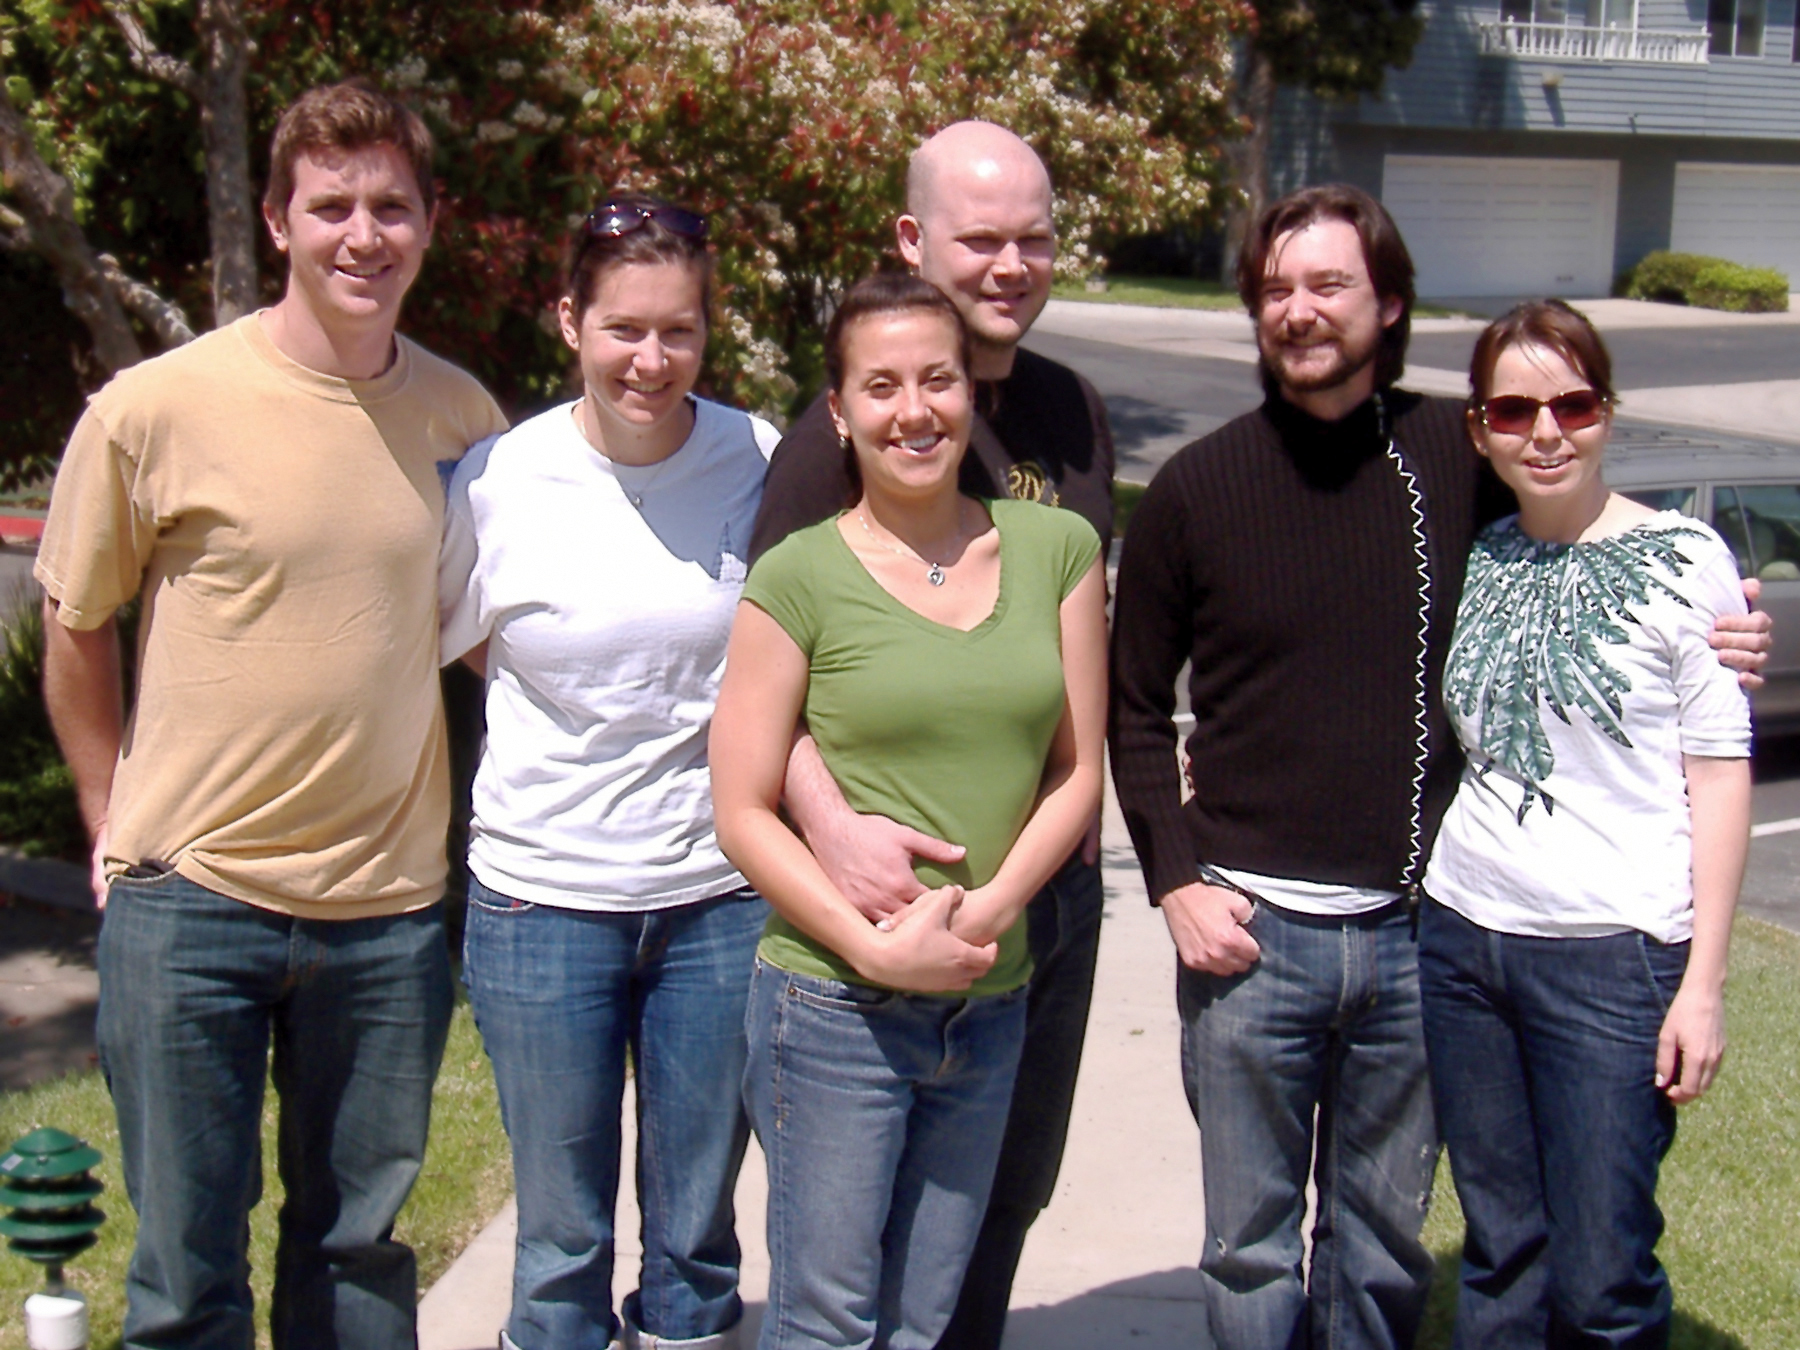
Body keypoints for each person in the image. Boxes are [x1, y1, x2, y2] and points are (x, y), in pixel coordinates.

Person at [1107, 184, 1771, 1350]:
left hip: (1423, 940)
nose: (1300, 309)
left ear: (1390, 303)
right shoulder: (1192, 491)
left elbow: (1583, 512)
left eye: (1329, 283)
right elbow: (1133, 707)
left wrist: (1721, 607)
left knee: (1381, 1246)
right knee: (1250, 1249)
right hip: (1251, 938)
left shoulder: (1457, 455)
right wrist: (1173, 881)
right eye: (1276, 288)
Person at [35, 82, 507, 1346]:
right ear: (278, 219)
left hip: (386, 914)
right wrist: (106, 814)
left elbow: (494, 640)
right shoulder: (153, 410)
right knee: (187, 1274)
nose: (364, 234)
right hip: (190, 899)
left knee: (356, 1263)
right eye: (332, 205)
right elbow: (76, 621)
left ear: (431, 222)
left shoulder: (465, 421)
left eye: (391, 207)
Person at [747, 120, 1113, 1350]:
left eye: (1034, 239)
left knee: (996, 1208)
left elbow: (1083, 685)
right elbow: (769, 688)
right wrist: (837, 833)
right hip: (877, 923)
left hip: (1035, 910)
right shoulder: (829, 451)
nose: (1012, 264)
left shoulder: (1070, 410)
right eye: (981, 238)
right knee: (839, 1290)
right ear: (913, 239)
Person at [438, 195, 777, 1350]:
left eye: (679, 330)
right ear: (569, 322)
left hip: (716, 899)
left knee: (697, 1236)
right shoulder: (499, 478)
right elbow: (463, 639)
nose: (651, 359)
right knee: (561, 1239)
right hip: (542, 903)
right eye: (624, 328)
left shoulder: (757, 459)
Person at [1419, 299, 1751, 1345]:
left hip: (1614, 956)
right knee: (1501, 1251)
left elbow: (1720, 775)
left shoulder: (1686, 558)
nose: (1546, 432)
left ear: (1608, 410)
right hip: (1464, 938)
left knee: (1604, 1271)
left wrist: (1703, 986)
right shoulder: (1480, 557)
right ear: (1480, 430)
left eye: (1572, 404)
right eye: (1514, 411)